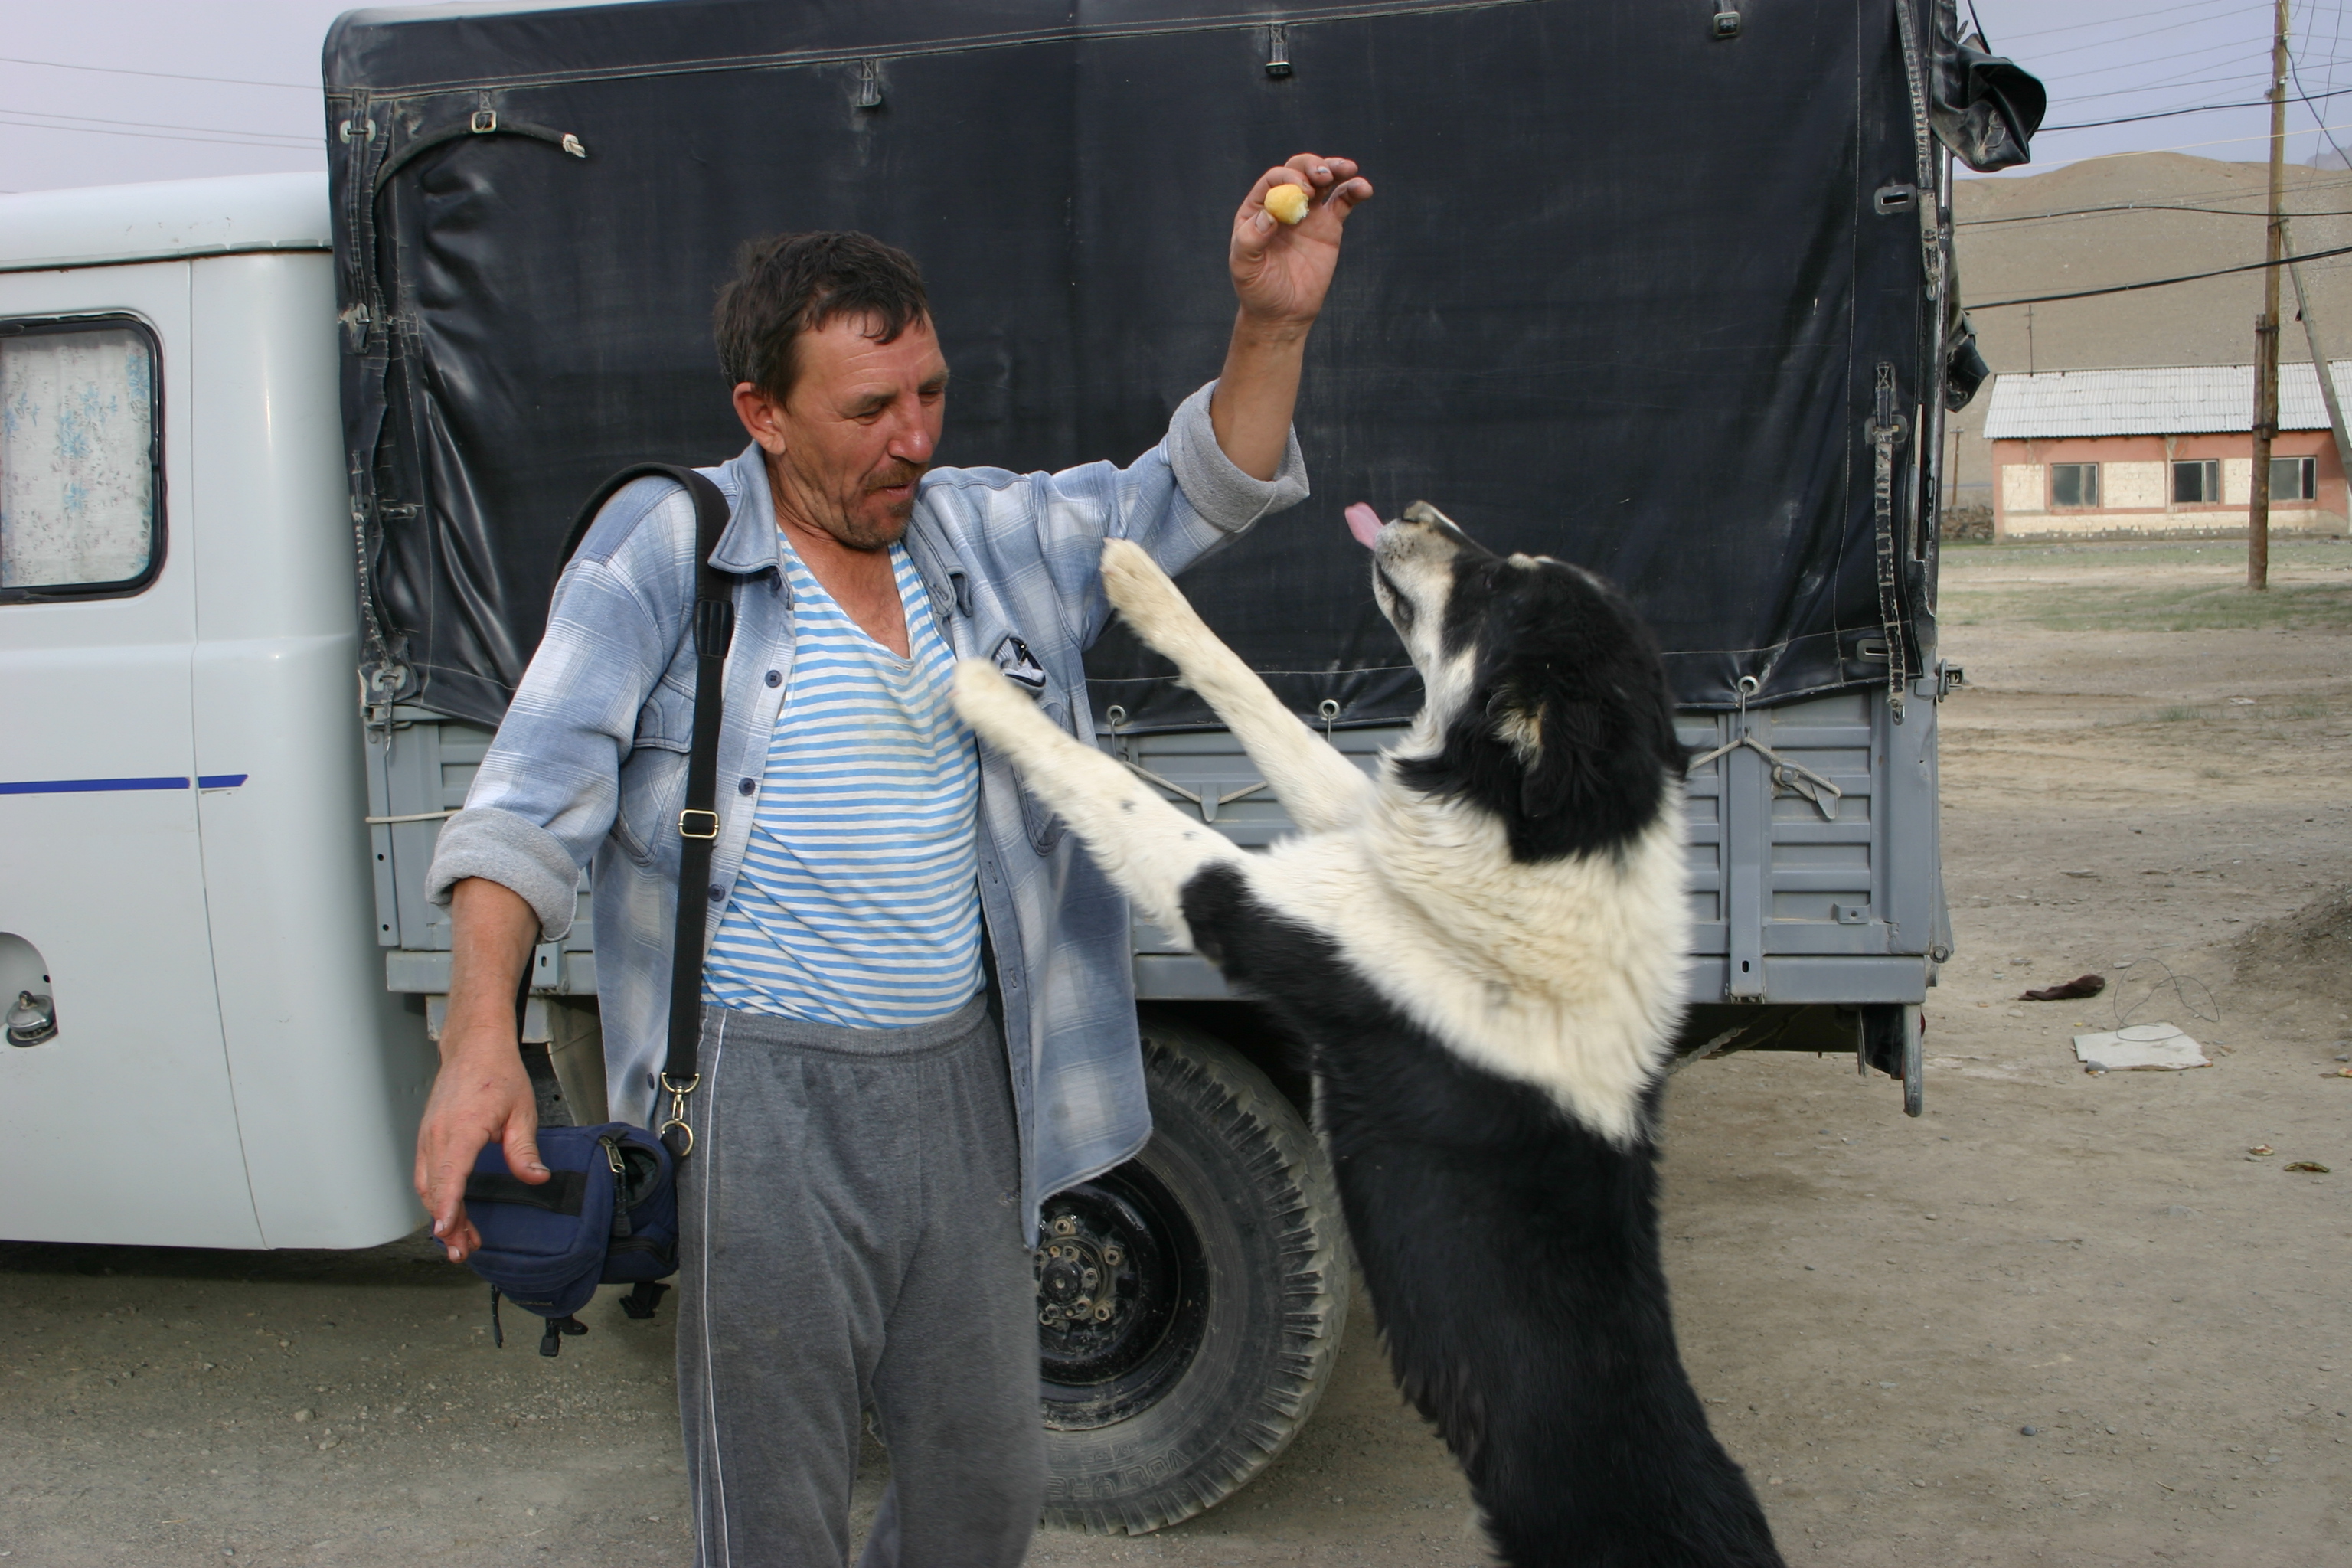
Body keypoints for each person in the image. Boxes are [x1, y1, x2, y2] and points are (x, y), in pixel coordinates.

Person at [412, 152, 1373, 1566]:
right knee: (776, 1504)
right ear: (763, 413)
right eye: (869, 410)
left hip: (966, 1080)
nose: (912, 438)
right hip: (760, 1094)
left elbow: (1195, 490)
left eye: (929, 393)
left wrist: (1270, 323)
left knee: (987, 1484)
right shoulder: (668, 546)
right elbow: (524, 802)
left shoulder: (984, 534)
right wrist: (478, 1040)